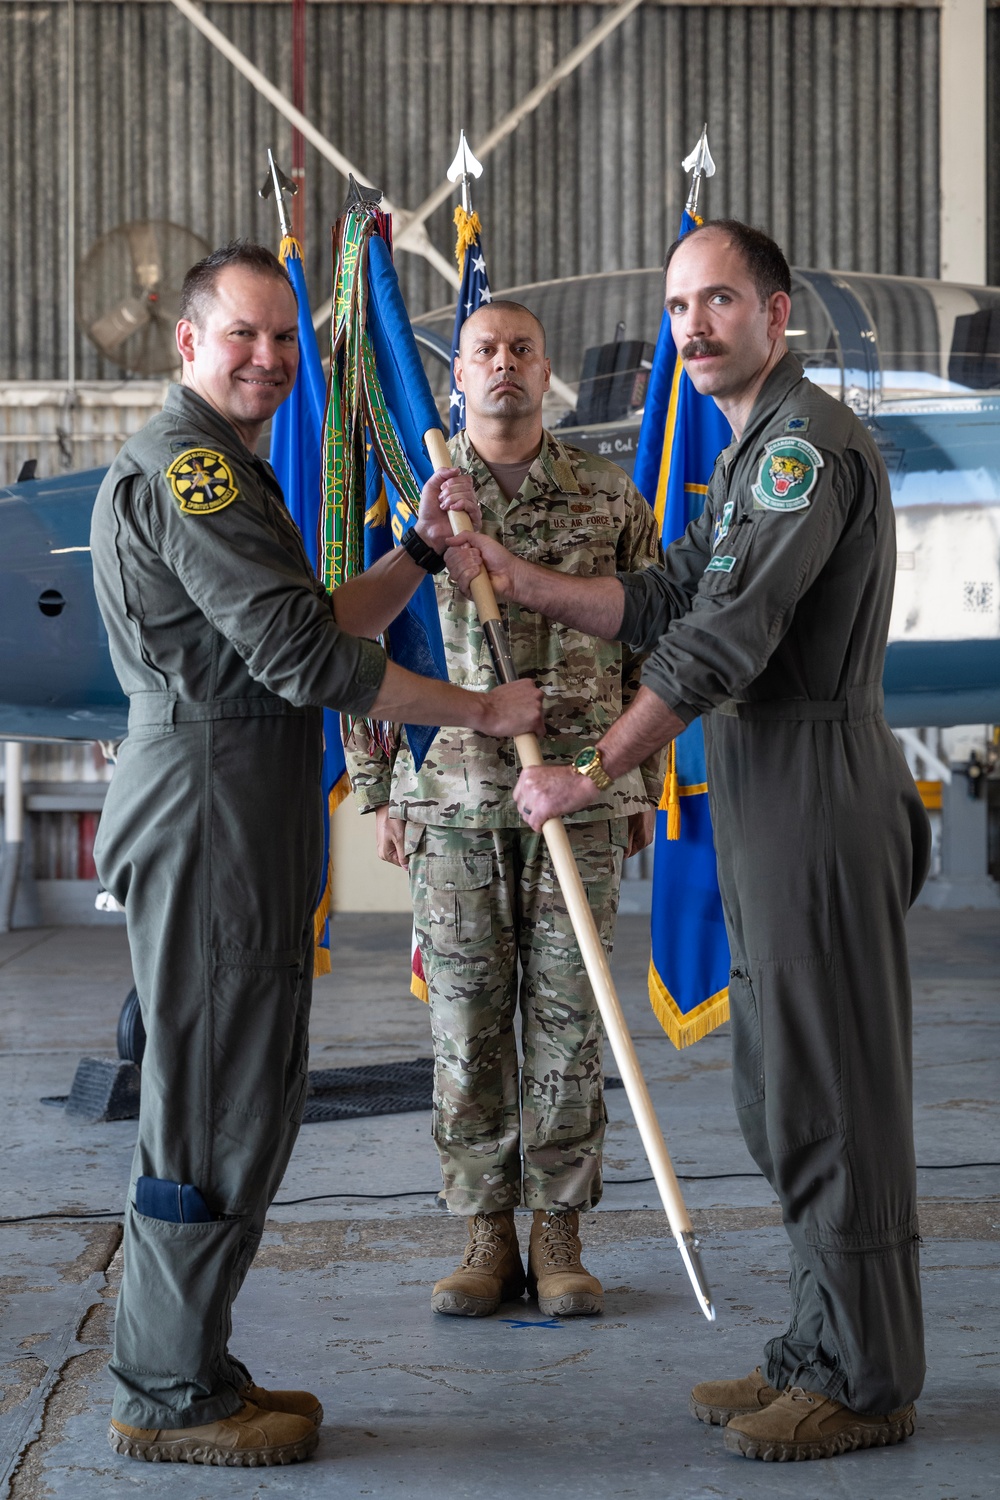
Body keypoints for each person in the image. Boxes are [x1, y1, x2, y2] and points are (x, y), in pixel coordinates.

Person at [447, 224, 931, 1462]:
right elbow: (663, 599)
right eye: (676, 306)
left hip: (816, 782)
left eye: (719, 300)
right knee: (782, 1089)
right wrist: (516, 572)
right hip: (768, 790)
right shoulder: (746, 454)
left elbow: (721, 645)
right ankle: (816, 1348)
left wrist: (591, 768)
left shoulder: (801, 453)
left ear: (775, 314)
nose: (693, 325)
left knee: (831, 1098)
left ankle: (865, 1380)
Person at [89, 242, 543, 1469]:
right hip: (208, 805)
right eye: (245, 334)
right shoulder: (192, 470)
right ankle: (165, 1392)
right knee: (205, 1100)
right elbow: (307, 666)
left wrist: (421, 555)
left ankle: (194, 1359)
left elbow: (307, 625)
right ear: (188, 341)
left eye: (287, 339)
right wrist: (480, 712)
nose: (272, 359)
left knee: (246, 1091)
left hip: (243, 797)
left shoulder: (231, 473)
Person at [346, 301, 663, 1321]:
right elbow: (368, 646)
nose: (503, 366)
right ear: (457, 377)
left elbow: (651, 641)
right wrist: (383, 783)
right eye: (484, 351)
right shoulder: (423, 502)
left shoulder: (607, 494)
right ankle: (484, 1235)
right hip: (455, 798)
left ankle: (558, 1235)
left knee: (572, 1023)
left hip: (579, 789)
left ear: (545, 370)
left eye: (521, 350)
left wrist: (640, 780)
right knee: (467, 1025)